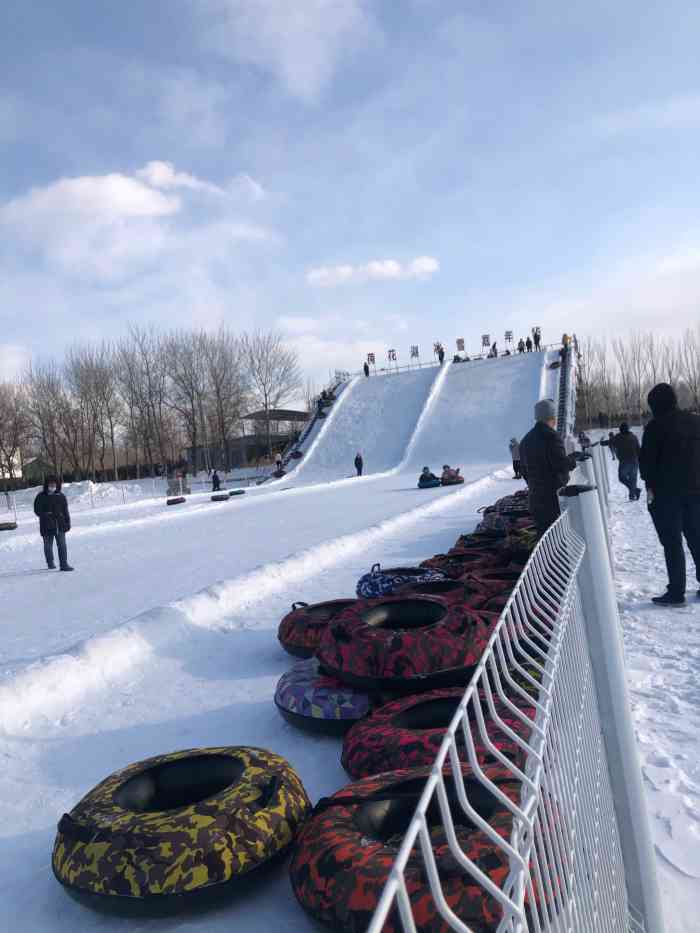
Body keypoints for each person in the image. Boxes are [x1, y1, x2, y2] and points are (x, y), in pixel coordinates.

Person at [639, 383, 700, 606]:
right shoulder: (696, 422)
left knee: (672, 543)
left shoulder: (655, 428)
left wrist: (651, 485)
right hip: (696, 491)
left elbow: (646, 466)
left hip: (667, 496)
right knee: (697, 538)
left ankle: (676, 591)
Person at [519, 399, 576, 537]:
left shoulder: (525, 440)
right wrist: (572, 461)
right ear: (552, 417)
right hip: (553, 499)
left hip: (535, 498)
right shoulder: (551, 437)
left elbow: (524, 471)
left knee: (544, 539)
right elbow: (561, 464)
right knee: (559, 538)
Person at [33, 474, 73, 571]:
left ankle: (64, 564)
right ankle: (50, 562)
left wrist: (68, 522)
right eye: (50, 484)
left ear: (57, 484)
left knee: (62, 545)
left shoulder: (61, 496)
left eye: (54, 484)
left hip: (60, 525)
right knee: (48, 546)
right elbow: (37, 510)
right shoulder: (40, 496)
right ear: (46, 485)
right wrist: (46, 515)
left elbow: (65, 511)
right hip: (46, 526)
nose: (52, 486)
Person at [612, 423, 641, 500]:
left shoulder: (618, 437)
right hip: (635, 461)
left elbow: (610, 442)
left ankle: (635, 490)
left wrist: (601, 443)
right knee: (633, 478)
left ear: (620, 429)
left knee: (621, 477)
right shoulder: (634, 437)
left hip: (625, 461)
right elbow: (639, 449)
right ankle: (632, 495)